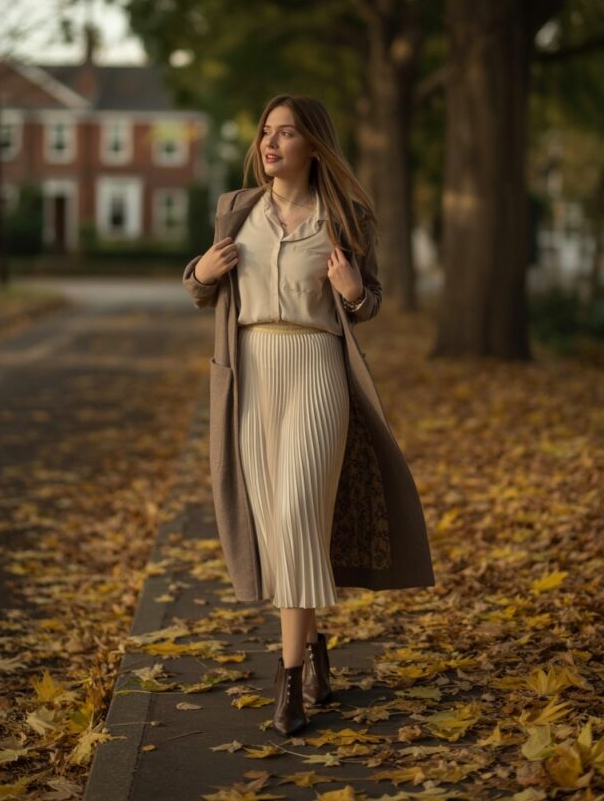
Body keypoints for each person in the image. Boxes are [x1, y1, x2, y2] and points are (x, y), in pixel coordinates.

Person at [182, 93, 435, 736]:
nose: (270, 144)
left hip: (317, 368)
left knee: (297, 516)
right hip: (251, 375)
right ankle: (317, 652)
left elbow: (368, 299)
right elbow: (201, 288)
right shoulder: (235, 212)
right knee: (279, 527)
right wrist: (201, 272)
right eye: (266, 132)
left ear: (312, 145)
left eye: (287, 133)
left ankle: (288, 683)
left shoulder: (345, 216)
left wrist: (354, 294)